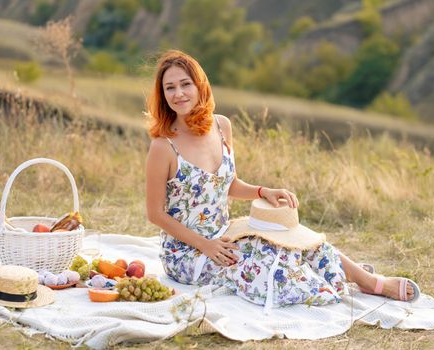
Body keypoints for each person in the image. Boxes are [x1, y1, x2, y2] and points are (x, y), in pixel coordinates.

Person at [145, 49, 419, 308]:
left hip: (224, 235)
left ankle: (369, 282)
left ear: (200, 86)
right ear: (162, 95)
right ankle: (337, 278)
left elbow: (228, 185)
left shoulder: (221, 125)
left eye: (185, 84)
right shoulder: (163, 146)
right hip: (187, 254)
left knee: (292, 237)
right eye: (170, 88)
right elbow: (155, 214)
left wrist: (264, 191)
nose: (179, 93)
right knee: (269, 266)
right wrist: (206, 245)